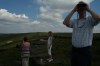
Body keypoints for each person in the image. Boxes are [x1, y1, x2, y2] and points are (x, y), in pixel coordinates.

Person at [63, 1, 100, 66]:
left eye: (83, 7)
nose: (81, 8)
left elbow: (98, 18)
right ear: (77, 10)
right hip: (74, 50)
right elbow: (65, 22)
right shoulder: (74, 21)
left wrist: (88, 9)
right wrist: (73, 10)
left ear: (85, 9)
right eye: (79, 7)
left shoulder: (90, 19)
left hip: (85, 51)